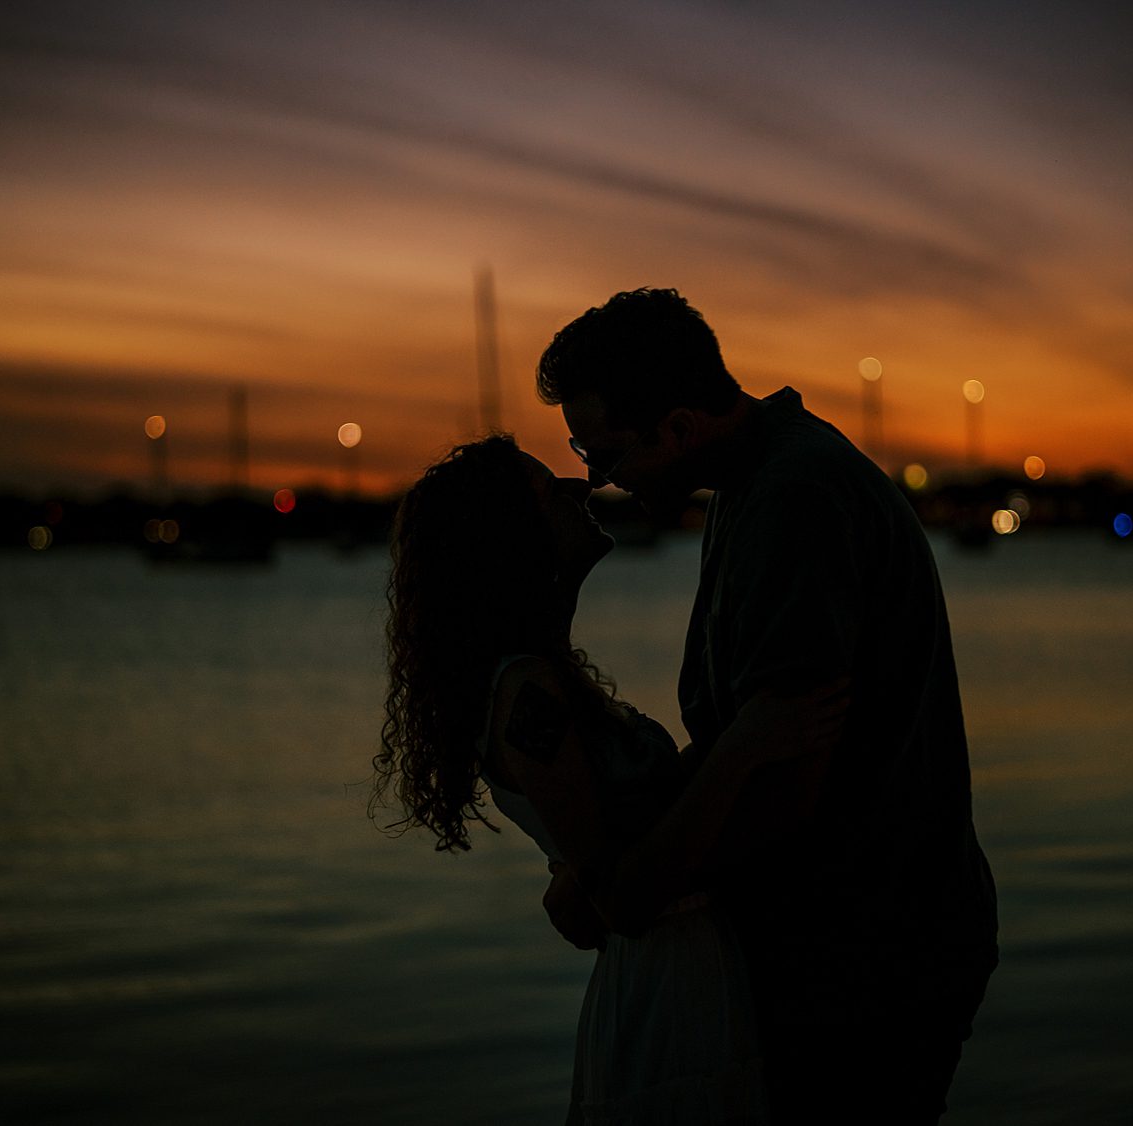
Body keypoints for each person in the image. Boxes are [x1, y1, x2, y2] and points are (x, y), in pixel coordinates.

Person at [537, 288, 999, 1123]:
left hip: (869, 965)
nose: (598, 480)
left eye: (603, 456)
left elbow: (784, 785)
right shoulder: (761, 481)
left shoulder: (796, 501)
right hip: (858, 950)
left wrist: (623, 886)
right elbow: (738, 739)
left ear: (678, 429)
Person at [374, 434, 847, 1124]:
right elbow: (624, 902)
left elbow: (618, 841)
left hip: (685, 970)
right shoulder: (528, 694)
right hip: (665, 990)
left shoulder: (546, 675)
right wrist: (742, 749)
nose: (580, 486)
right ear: (510, 536)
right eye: (549, 490)